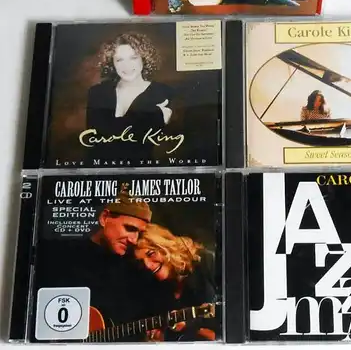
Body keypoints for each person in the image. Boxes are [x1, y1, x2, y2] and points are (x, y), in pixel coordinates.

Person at [35, 195, 171, 341]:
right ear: (104, 218)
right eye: (129, 228)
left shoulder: (136, 271)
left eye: (139, 233)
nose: (134, 239)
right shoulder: (60, 256)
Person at [85, 32, 173, 163]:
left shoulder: (162, 92)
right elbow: (97, 140)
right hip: (99, 169)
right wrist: (154, 117)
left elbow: (139, 146)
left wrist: (116, 126)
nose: (126, 66)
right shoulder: (98, 92)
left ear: (144, 58)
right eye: (119, 60)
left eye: (133, 58)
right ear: (112, 63)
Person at [135, 223, 217, 341]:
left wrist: (190, 326)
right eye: (141, 262)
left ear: (166, 247)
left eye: (151, 254)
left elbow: (230, 318)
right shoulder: (154, 287)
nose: (147, 265)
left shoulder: (207, 262)